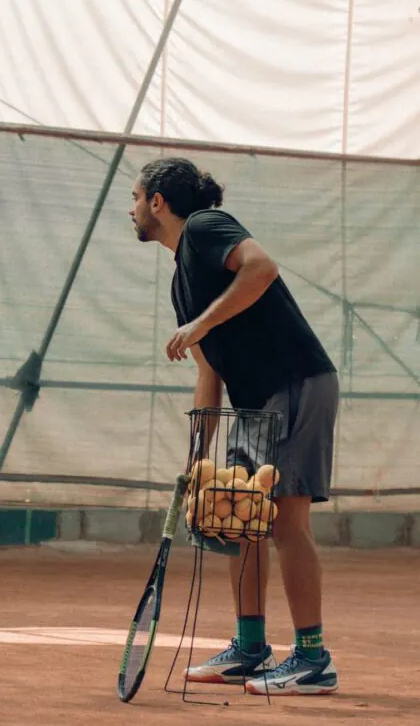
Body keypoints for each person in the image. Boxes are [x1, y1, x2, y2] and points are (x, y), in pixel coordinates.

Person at [130, 157, 339, 695]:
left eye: (136, 198)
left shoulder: (204, 226)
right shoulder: (182, 283)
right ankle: (250, 648)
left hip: (295, 382)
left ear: (157, 201)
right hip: (251, 402)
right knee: (242, 520)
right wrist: (196, 458)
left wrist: (202, 320)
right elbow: (209, 369)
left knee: (286, 524)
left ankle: (313, 660)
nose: (131, 210)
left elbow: (262, 267)